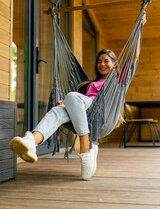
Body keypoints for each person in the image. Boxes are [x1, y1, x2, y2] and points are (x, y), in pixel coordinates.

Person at [10, 13, 146, 181]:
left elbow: (133, 58)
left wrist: (140, 27)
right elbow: (76, 101)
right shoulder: (88, 84)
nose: (102, 64)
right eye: (99, 61)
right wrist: (67, 103)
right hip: (84, 116)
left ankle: (85, 146)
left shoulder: (118, 82)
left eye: (106, 61)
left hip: (102, 116)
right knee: (59, 109)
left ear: (114, 64)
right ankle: (31, 142)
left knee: (72, 97)